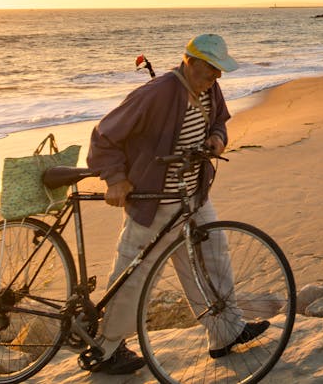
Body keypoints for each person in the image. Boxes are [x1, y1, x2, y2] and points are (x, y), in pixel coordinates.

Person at [84, 33, 269, 375]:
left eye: (219, 70)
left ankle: (226, 332)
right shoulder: (157, 92)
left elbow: (219, 122)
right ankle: (106, 349)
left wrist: (216, 138)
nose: (216, 76)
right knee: (133, 275)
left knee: (213, 257)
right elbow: (104, 135)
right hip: (154, 201)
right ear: (190, 62)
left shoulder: (209, 88)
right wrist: (114, 179)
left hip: (192, 196)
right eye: (210, 69)